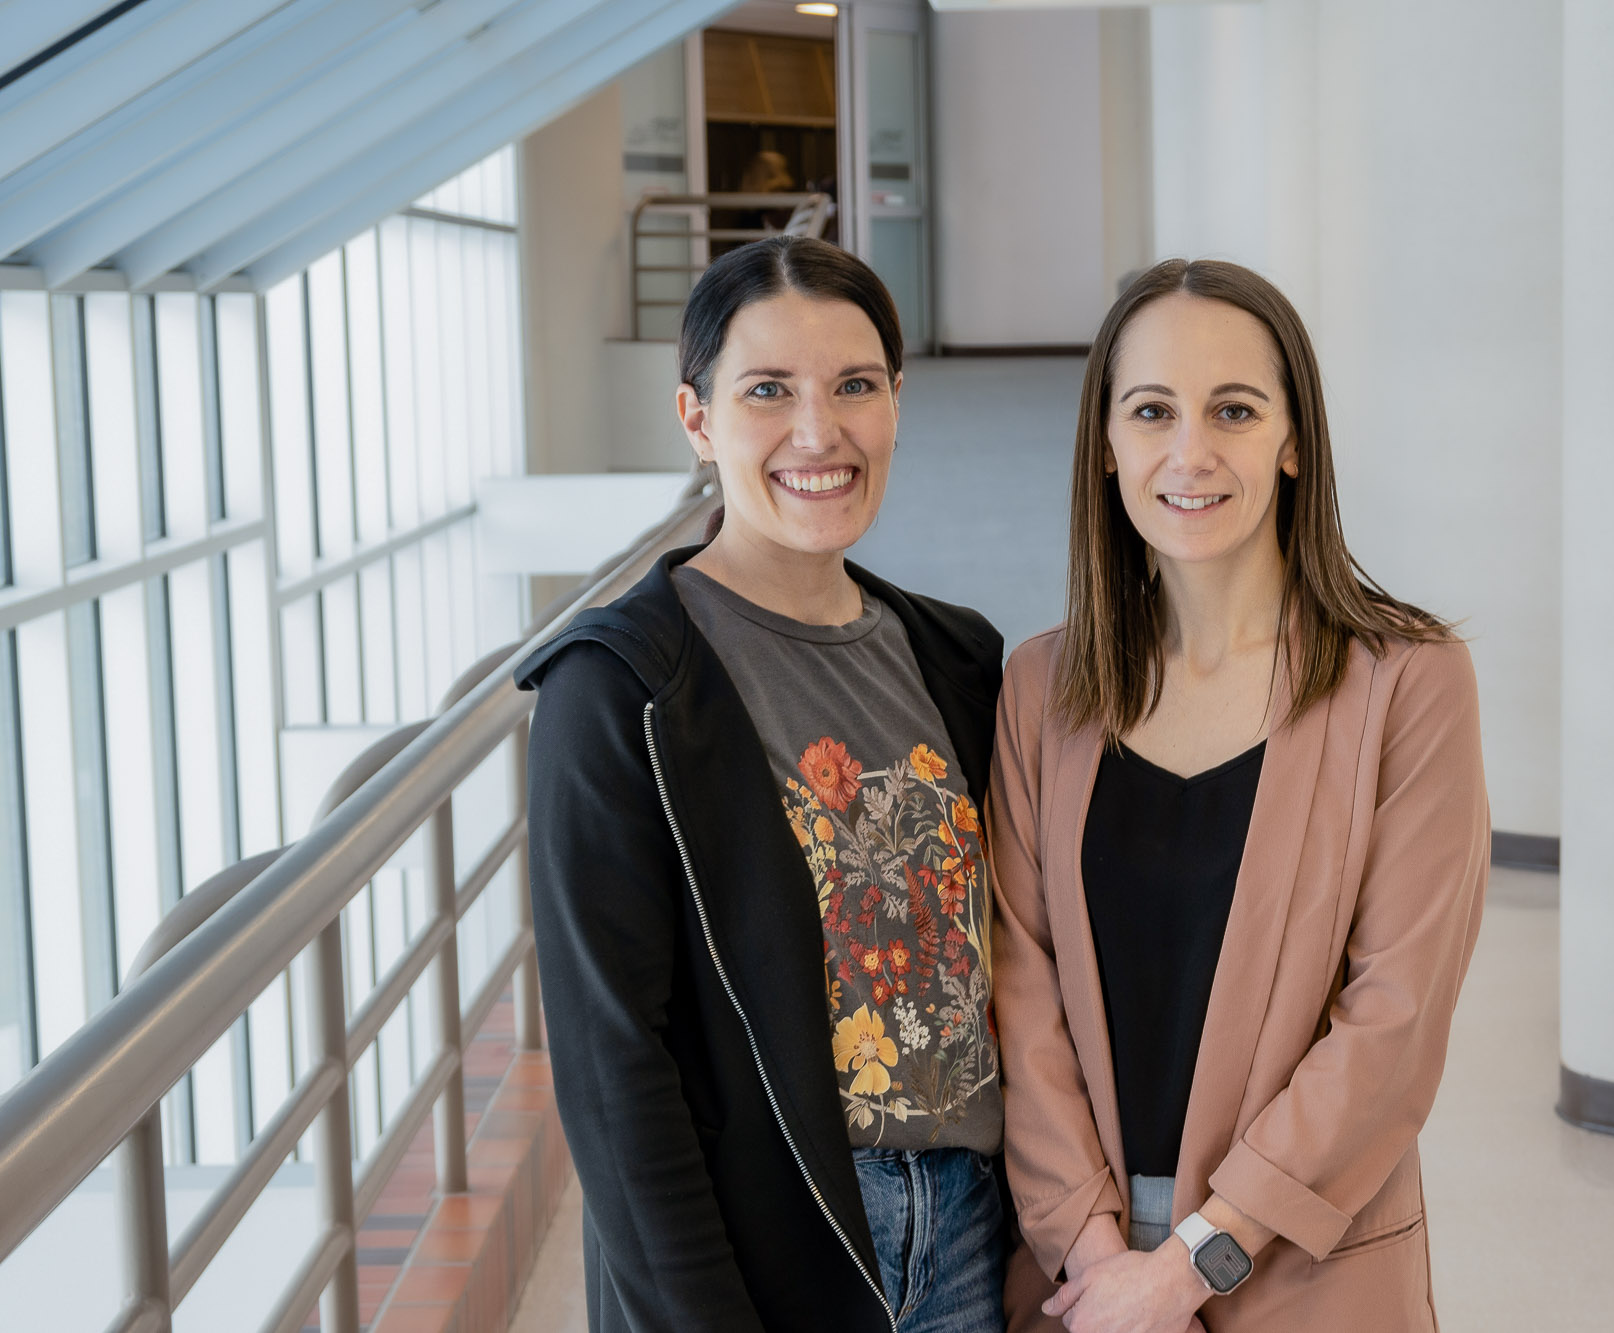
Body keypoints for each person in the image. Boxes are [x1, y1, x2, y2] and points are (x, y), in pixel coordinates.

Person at [517, 236, 1008, 1333]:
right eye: (767, 391)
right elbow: (613, 1067)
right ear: (696, 417)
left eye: (853, 386)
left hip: (967, 1229)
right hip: (767, 1249)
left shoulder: (957, 657)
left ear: (895, 400)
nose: (817, 432)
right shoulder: (619, 689)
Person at [990, 259, 1489, 1333]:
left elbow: (1390, 1025)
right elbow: (1017, 996)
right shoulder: (1040, 690)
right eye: (1151, 410)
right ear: (1107, 445)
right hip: (1078, 1272)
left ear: (1292, 439)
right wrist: (1094, 1256)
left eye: (1233, 409)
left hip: (1306, 1262)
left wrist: (1188, 1265)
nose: (1189, 451)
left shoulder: (1406, 682)